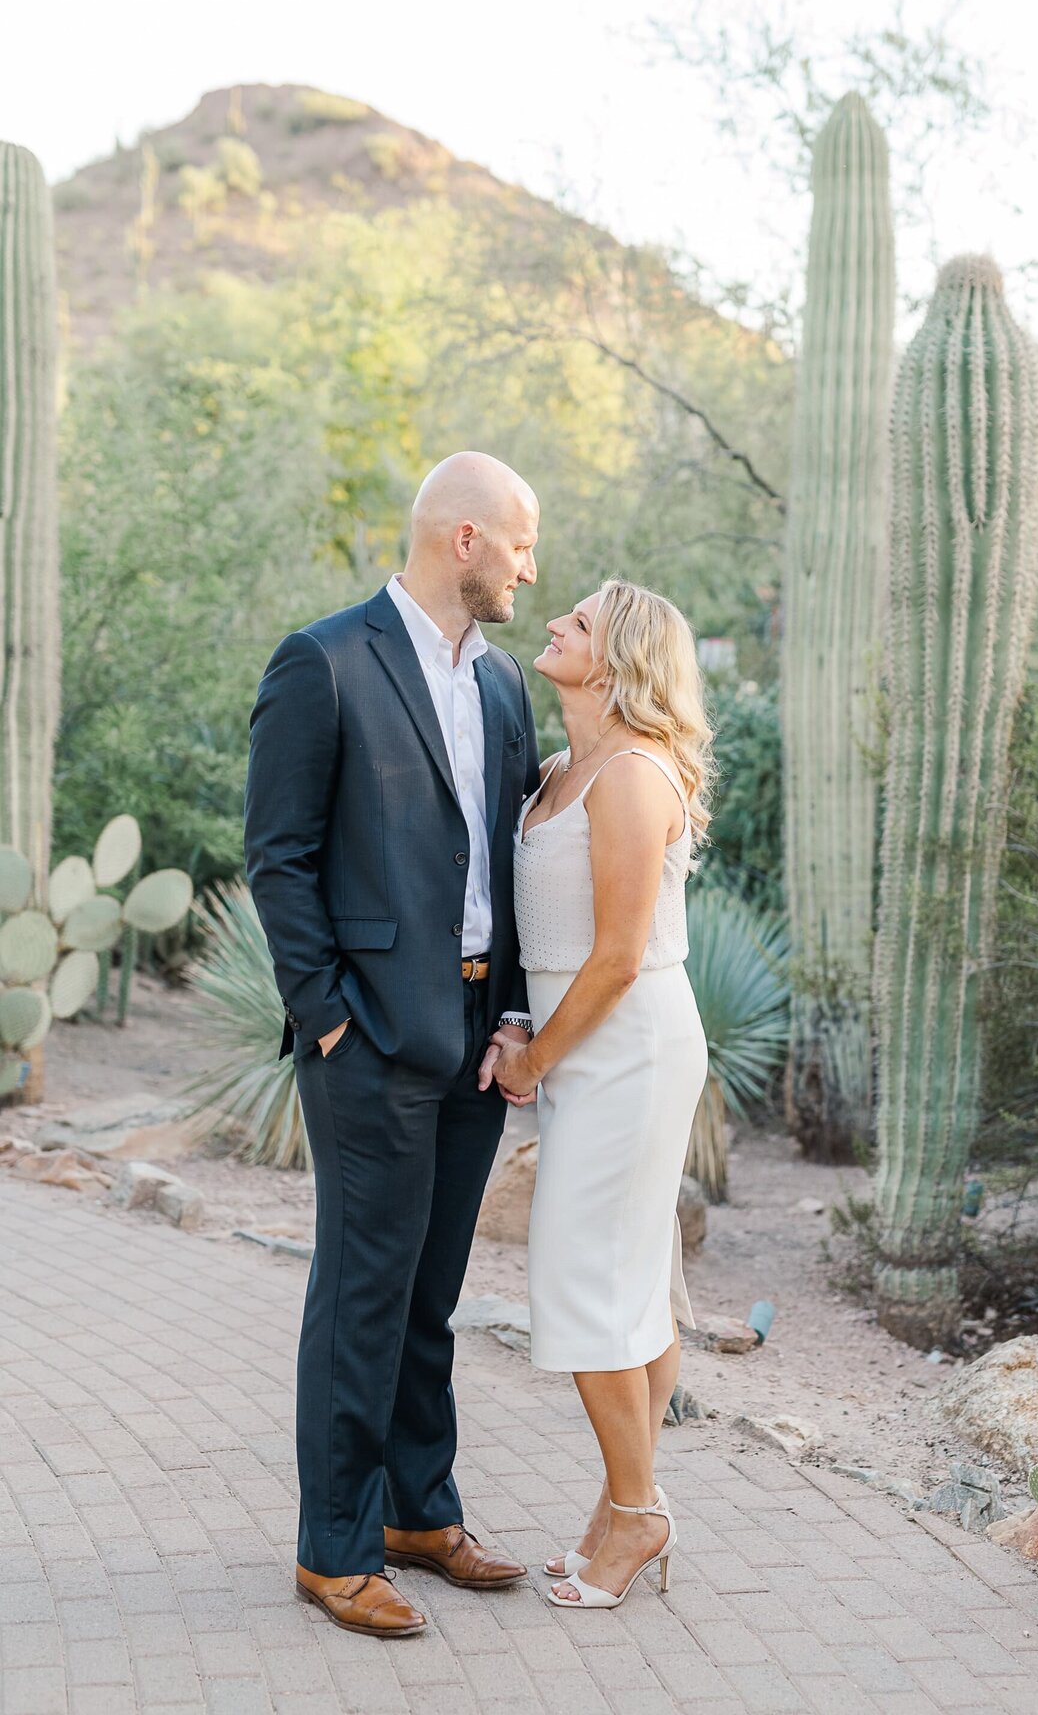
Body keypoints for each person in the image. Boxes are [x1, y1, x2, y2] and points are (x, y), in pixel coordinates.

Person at [244, 451, 542, 1638]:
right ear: (463, 538)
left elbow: (510, 864)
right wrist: (326, 1022)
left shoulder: (507, 683)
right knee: (364, 1291)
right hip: (367, 1038)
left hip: (476, 1036)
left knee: (432, 1292)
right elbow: (279, 857)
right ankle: (334, 1549)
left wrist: (514, 1012)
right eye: (521, 543)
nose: (531, 566)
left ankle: (422, 1511)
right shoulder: (323, 661)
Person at [489, 578, 712, 1610]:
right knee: (626, 1284)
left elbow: (619, 956)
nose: (552, 624)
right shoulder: (559, 770)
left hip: (630, 1049)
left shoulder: (629, 774)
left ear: (619, 657)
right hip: (586, 1040)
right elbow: (559, 942)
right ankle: (626, 1505)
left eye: (575, 621)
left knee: (583, 1284)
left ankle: (637, 1514)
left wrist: (535, 1064)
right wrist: (528, 1026)